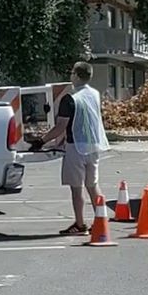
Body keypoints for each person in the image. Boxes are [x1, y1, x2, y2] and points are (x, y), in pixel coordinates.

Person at [39, 61, 111, 235]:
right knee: (93, 185)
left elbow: (60, 127)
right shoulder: (94, 94)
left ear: (77, 75)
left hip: (76, 147)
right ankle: (102, 220)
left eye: (72, 72)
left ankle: (80, 224)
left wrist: (41, 140)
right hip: (94, 145)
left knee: (76, 187)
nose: (70, 75)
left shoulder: (70, 98)